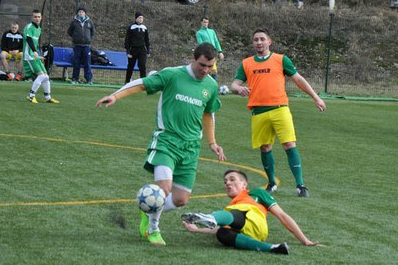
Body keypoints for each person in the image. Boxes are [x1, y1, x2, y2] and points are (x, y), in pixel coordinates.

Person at [95, 43, 226, 246]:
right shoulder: (172, 75)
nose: (205, 70)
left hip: (191, 148)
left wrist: (212, 142)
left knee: (181, 199)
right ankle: (153, 229)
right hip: (167, 141)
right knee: (163, 189)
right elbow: (142, 84)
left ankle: (148, 209)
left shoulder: (211, 85)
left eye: (210, 66)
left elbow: (209, 114)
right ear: (193, 58)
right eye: (202, 65)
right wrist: (114, 95)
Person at [231, 29, 326, 197]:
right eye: (256, 40)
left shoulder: (281, 60)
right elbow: (234, 85)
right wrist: (239, 89)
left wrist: (315, 97)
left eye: (262, 39)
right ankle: (271, 183)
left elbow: (298, 79)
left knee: (289, 144)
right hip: (259, 111)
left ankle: (300, 185)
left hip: (280, 109)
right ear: (253, 43)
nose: (259, 42)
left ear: (269, 41)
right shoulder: (246, 63)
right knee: (265, 147)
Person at [181, 169, 320, 255]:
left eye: (232, 179)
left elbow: (282, 216)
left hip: (254, 221)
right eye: (225, 182)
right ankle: (272, 248)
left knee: (235, 214)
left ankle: (210, 217)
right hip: (249, 232)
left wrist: (305, 240)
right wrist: (196, 230)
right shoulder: (232, 208)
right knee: (222, 233)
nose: (227, 183)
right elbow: (215, 229)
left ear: (244, 185)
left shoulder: (256, 193)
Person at [23, 10, 59, 104]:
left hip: (34, 56)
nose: (37, 18)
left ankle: (48, 97)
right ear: (32, 18)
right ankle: (31, 96)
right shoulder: (29, 27)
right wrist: (34, 51)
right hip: (29, 56)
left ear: (41, 17)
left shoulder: (39, 29)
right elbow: (29, 40)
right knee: (41, 75)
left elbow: (35, 43)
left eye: (39, 17)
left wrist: (38, 55)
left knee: (46, 77)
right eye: (35, 17)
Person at [67, 6, 95, 84]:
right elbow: (69, 32)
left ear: (85, 13)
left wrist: (87, 38)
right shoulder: (74, 22)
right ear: (78, 13)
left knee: (87, 63)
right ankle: (75, 79)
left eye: (82, 12)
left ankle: (89, 79)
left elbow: (93, 32)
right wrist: (76, 38)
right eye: (79, 12)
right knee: (76, 63)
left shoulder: (89, 22)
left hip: (86, 46)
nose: (81, 13)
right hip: (77, 46)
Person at [124, 11, 151, 83]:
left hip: (142, 50)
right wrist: (128, 51)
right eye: (139, 17)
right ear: (136, 18)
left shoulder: (144, 28)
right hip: (133, 49)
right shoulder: (131, 27)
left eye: (142, 18)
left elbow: (147, 40)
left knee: (142, 65)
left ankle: (144, 82)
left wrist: (148, 50)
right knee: (130, 66)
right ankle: (127, 81)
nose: (141, 19)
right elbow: (127, 40)